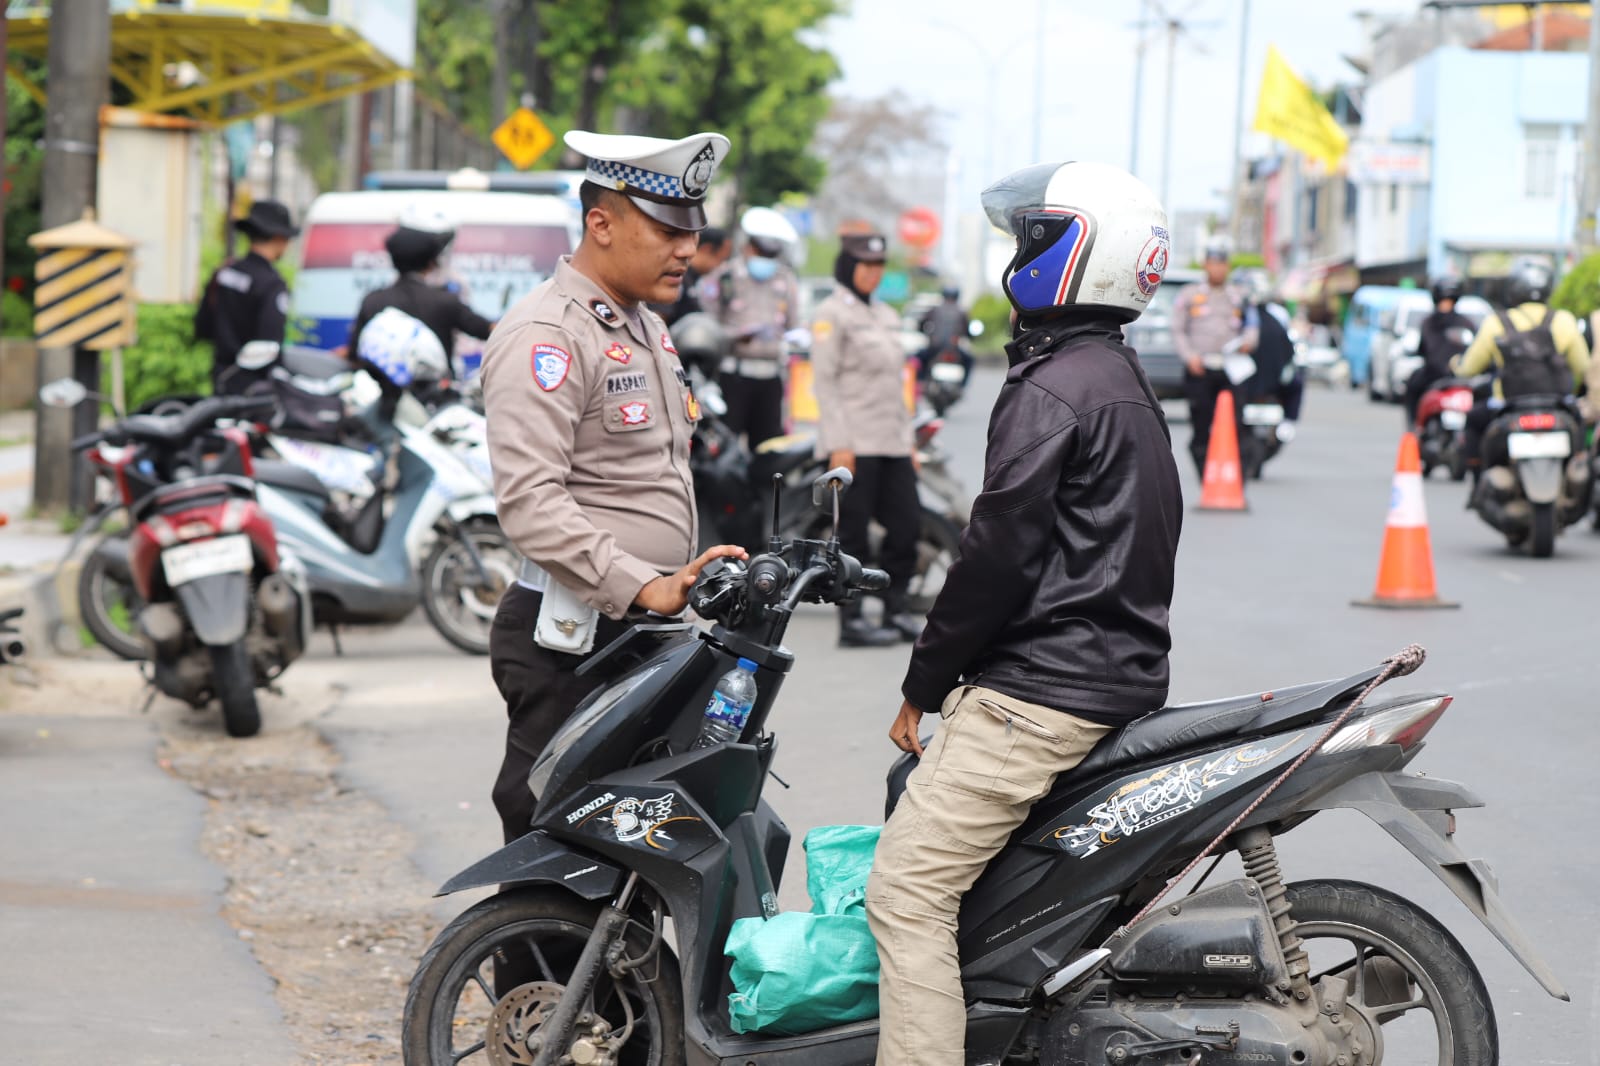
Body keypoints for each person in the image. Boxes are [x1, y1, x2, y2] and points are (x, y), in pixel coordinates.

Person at [865, 160, 1183, 1066]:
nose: (1017, 257)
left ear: (1073, 253)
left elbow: (994, 556)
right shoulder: (1118, 377)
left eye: (1029, 239)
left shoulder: (1053, 385)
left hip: (1037, 698)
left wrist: (924, 682)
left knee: (906, 893)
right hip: (1112, 679)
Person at [479, 128, 748, 845]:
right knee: (554, 850)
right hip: (574, 635)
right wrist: (642, 585)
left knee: (640, 843)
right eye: (667, 231)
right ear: (601, 223)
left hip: (641, 629)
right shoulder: (547, 334)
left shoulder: (643, 325)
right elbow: (530, 501)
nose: (687, 249)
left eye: (691, 231)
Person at [810, 231, 920, 649]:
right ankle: (852, 621)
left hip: (891, 442)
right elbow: (825, 383)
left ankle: (896, 609)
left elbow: (896, 387)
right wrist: (839, 443)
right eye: (865, 265)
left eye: (878, 265)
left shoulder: (886, 314)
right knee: (853, 537)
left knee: (907, 526)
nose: (873, 273)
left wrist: (909, 442)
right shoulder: (831, 313)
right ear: (848, 266)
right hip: (853, 443)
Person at [1451, 260, 1589, 491]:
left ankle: (1476, 483)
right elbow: (1583, 368)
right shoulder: (1563, 320)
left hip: (1507, 406)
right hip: (1558, 405)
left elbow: (1469, 368)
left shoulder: (1496, 322)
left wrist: (1456, 365)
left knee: (1474, 420)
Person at [349, 206, 496, 368]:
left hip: (381, 383)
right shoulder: (446, 301)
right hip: (437, 383)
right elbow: (491, 331)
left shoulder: (372, 301)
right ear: (431, 262)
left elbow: (355, 352)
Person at [703, 206, 800, 449]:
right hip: (734, 374)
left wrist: (797, 336)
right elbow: (707, 327)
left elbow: (794, 324)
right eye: (761, 251)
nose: (765, 259)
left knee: (769, 446)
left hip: (771, 376)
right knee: (726, 444)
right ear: (748, 246)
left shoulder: (785, 279)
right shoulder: (725, 277)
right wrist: (735, 337)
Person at [194, 200, 298, 395]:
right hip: (255, 389)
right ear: (279, 238)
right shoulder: (271, 284)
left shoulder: (224, 272)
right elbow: (270, 345)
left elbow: (203, 327)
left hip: (222, 378)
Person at [1171, 243, 1258, 476]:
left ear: (1228, 266)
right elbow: (1178, 329)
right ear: (1206, 265)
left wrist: (1249, 341)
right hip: (1201, 367)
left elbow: (1252, 325)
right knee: (1201, 423)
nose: (1218, 269)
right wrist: (1189, 356)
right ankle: (1205, 473)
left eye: (1222, 264)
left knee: (1237, 422)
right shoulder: (1190, 294)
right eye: (1213, 263)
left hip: (1232, 368)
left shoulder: (1239, 295)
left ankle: (1237, 474)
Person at [1401, 276, 1477, 426]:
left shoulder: (1429, 323)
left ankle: (1414, 427)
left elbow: (1423, 350)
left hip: (1448, 378)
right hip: (1459, 377)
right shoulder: (1466, 322)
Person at [651, 226, 731, 325]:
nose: (720, 265)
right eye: (721, 259)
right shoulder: (676, 276)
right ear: (706, 249)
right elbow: (657, 318)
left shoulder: (695, 279)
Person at [915, 285, 975, 385]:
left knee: (918, 357)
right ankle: (963, 384)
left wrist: (923, 331)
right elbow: (968, 332)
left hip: (935, 348)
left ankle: (921, 382)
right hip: (954, 349)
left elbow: (921, 324)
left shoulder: (934, 310)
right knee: (969, 360)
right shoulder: (962, 312)